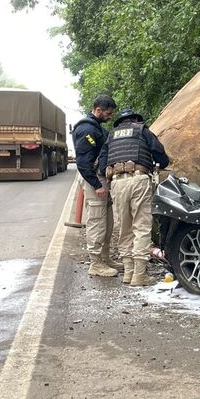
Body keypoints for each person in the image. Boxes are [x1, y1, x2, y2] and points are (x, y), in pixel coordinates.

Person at [98, 107, 170, 286]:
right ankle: (139, 275)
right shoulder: (142, 131)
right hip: (138, 180)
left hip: (116, 183)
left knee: (124, 228)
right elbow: (162, 156)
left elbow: (101, 165)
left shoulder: (111, 136)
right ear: (136, 120)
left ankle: (128, 273)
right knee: (141, 226)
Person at [73, 94, 118, 277]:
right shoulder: (86, 130)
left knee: (107, 222)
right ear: (98, 110)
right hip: (95, 181)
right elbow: (83, 162)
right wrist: (96, 184)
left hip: (101, 180)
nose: (109, 117)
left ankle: (105, 258)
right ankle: (96, 263)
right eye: (107, 113)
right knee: (97, 222)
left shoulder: (97, 128)